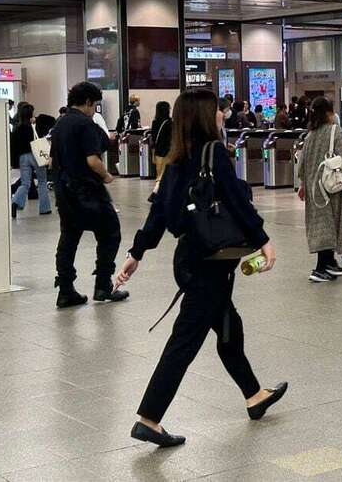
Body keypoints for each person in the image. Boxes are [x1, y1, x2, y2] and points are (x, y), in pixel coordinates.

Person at [114, 89, 284, 448]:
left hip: (191, 259)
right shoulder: (214, 153)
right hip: (211, 261)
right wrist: (263, 239)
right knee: (186, 339)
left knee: (227, 326)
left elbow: (159, 211)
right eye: (217, 110)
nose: (223, 114)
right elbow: (237, 202)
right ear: (205, 116)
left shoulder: (177, 159)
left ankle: (254, 395)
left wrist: (137, 252)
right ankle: (150, 417)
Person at [50, 82, 128, 308]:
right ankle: (103, 285)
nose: (94, 109)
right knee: (110, 233)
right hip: (88, 192)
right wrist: (106, 176)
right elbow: (93, 160)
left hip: (64, 193)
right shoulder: (85, 124)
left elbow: (53, 160)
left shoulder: (60, 124)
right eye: (94, 105)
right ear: (87, 102)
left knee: (68, 239)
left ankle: (65, 290)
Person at [298, 96, 342, 282]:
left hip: (314, 189)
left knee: (321, 225)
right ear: (329, 113)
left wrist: (303, 186)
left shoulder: (310, 135)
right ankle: (321, 267)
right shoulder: (335, 131)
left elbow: (302, 164)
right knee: (332, 223)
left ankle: (328, 263)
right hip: (332, 188)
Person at [10, 103, 53, 217]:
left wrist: (14, 163)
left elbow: (13, 147)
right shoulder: (37, 126)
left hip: (23, 157)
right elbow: (51, 120)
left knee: (25, 183)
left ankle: (15, 202)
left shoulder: (17, 129)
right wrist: (36, 119)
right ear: (32, 114)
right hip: (37, 155)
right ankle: (45, 208)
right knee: (42, 181)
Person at [151, 101, 172, 180]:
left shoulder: (155, 122)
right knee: (167, 174)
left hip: (158, 151)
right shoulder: (170, 122)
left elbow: (153, 138)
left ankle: (158, 189)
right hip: (168, 151)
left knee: (159, 174)